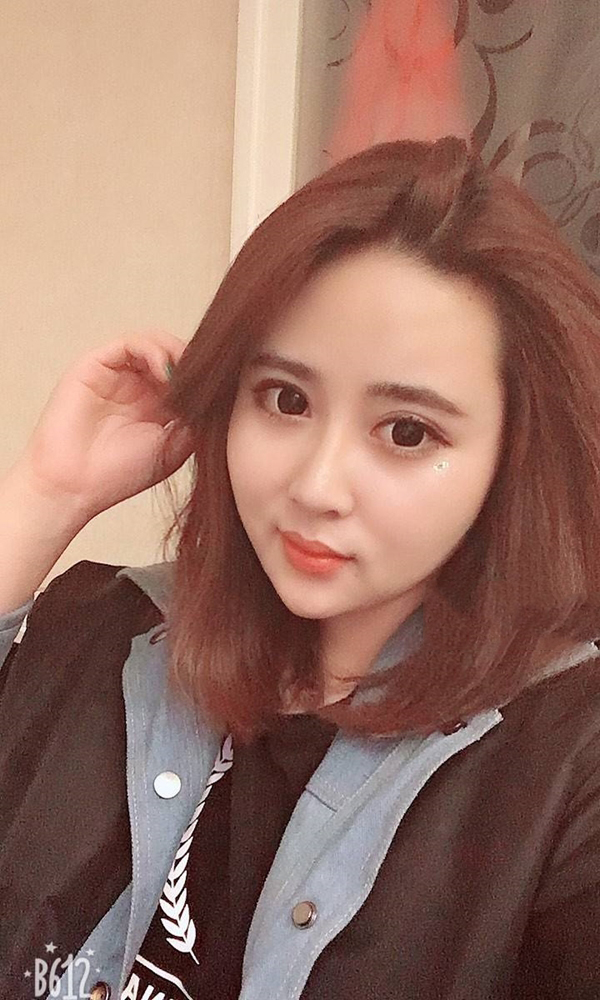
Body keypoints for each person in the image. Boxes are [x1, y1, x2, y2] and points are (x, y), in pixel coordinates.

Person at [2, 136, 600, 1000]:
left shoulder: (567, 763)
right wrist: (44, 496)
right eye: (286, 399)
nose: (316, 487)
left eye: (407, 432)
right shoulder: (105, 628)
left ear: (513, 455)